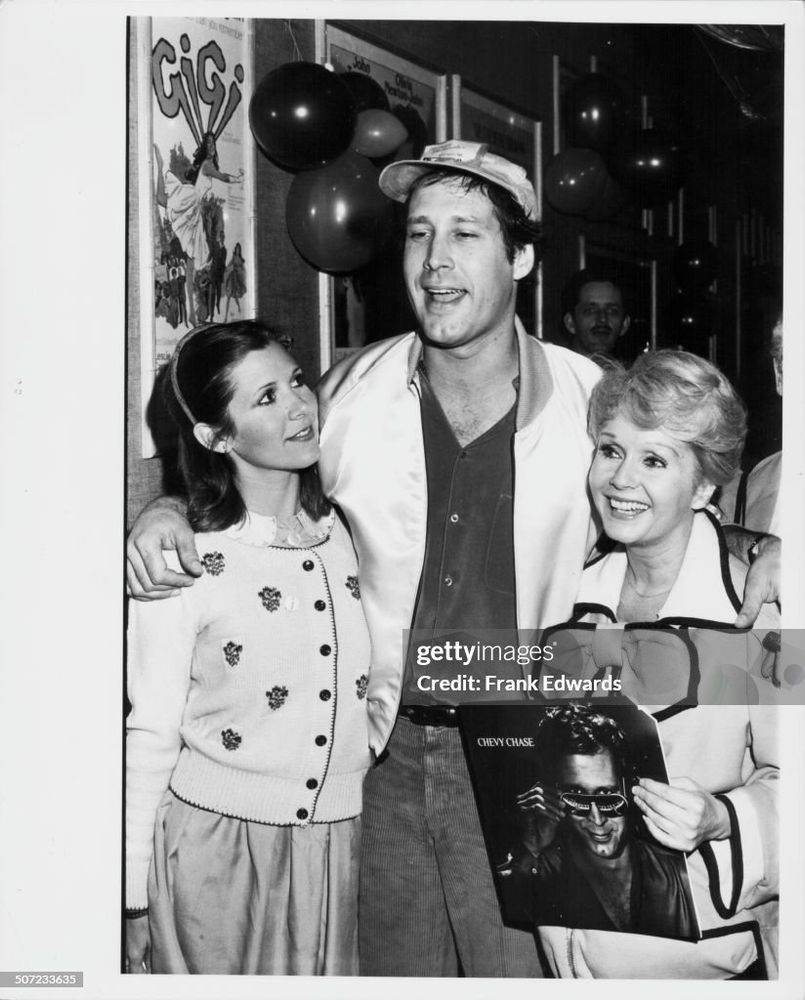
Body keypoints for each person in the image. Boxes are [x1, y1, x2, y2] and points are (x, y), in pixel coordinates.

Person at [126, 142, 780, 977]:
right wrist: (168, 507)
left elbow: (684, 495)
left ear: (521, 257)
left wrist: (763, 546)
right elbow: (244, 452)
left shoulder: (595, 401)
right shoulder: (346, 393)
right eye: (418, 234)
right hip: (378, 764)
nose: (435, 262)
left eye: (466, 234)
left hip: (528, 756)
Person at [125, 320, 371, 975]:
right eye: (265, 398)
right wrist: (130, 898)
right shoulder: (180, 560)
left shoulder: (345, 529)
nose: (298, 405)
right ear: (215, 435)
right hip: (213, 850)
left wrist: (359, 753)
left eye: (296, 382)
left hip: (331, 848)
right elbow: (149, 731)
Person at [533, 350, 779, 979]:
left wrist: (724, 817)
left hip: (695, 960)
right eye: (610, 450)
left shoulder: (755, 617)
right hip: (569, 950)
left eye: (654, 460)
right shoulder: (568, 597)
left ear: (703, 487)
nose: (620, 479)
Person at [498, 704, 698, 939]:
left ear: (629, 789)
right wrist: (530, 847)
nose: (596, 818)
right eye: (578, 798)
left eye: (606, 797)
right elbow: (501, 914)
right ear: (554, 797)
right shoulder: (540, 871)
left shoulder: (678, 874)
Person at [561, 267, 632, 360]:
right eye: (590, 311)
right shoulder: (552, 372)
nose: (602, 319)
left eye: (612, 311)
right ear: (570, 323)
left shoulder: (630, 374)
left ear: (624, 324)